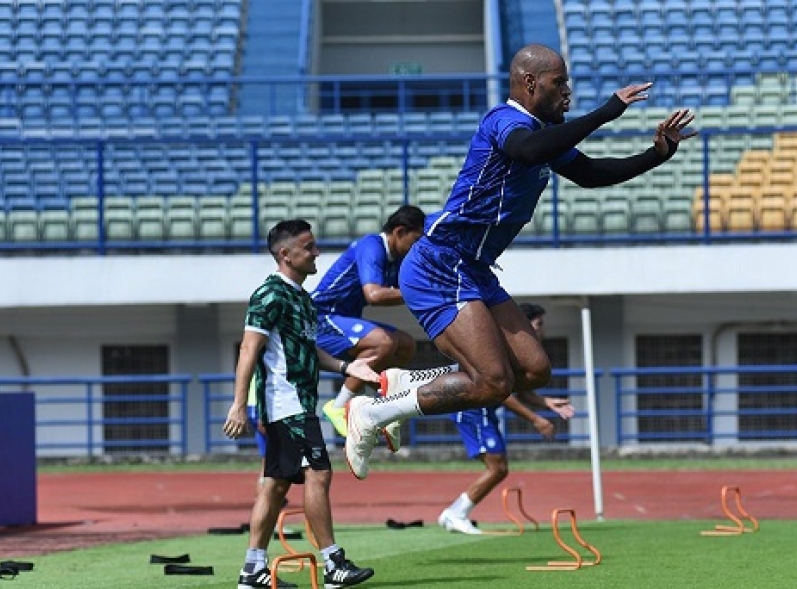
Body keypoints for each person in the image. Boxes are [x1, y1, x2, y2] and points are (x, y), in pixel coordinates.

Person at [344, 43, 697, 480]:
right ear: (530, 83)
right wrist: (608, 111)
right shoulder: (506, 121)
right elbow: (528, 151)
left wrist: (656, 155)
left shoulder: (542, 133)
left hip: (472, 268)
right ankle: (372, 412)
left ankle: (405, 384)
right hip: (441, 264)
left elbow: (590, 174)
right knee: (492, 383)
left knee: (533, 370)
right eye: (559, 83)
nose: (567, 92)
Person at [223, 219, 376, 589]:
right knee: (319, 474)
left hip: (296, 404)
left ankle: (252, 571)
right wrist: (239, 403)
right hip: (286, 402)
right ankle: (333, 564)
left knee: (275, 486)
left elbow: (308, 349)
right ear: (285, 254)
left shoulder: (303, 299)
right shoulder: (270, 294)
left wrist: (346, 365)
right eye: (309, 247)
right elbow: (249, 348)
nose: (317, 252)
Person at [438, 304, 564, 534]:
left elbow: (520, 390)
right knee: (497, 468)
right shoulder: (503, 347)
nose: (542, 330)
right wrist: (536, 419)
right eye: (539, 325)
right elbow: (502, 393)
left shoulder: (518, 349)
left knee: (499, 468)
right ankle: (455, 514)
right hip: (473, 409)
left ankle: (456, 513)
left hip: (483, 409)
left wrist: (545, 403)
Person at [312, 204, 425, 449]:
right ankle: (339, 406)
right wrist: (419, 291)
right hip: (321, 318)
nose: (417, 248)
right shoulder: (371, 246)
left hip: (342, 321)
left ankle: (382, 409)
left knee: (406, 344)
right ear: (399, 231)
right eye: (415, 241)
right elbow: (374, 294)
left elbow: (399, 293)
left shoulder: (397, 260)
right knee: (383, 342)